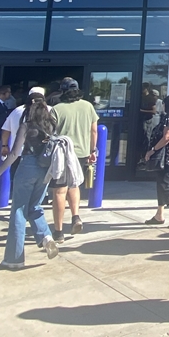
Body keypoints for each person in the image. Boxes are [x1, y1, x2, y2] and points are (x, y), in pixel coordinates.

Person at [0, 87, 60, 270]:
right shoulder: (51, 125)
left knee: (18, 211)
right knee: (35, 206)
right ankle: (45, 236)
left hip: (27, 166)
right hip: (45, 170)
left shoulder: (26, 125)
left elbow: (15, 153)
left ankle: (14, 258)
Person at [50, 77, 98, 241]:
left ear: (62, 91)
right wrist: (93, 150)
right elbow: (94, 131)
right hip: (82, 153)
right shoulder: (88, 106)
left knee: (59, 190)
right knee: (74, 184)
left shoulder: (56, 109)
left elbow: (50, 133)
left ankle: (58, 231)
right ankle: (76, 216)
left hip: (62, 154)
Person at [142, 93, 169, 227]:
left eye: (164, 103)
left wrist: (153, 150)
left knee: (164, 184)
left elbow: (167, 137)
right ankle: (159, 214)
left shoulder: (168, 118)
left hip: (165, 157)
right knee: (160, 183)